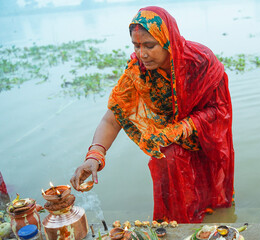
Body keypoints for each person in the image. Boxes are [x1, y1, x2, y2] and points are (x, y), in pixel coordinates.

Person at [70, 6, 234, 223]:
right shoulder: (138, 71)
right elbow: (113, 117)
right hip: (169, 147)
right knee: (176, 198)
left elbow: (220, 109)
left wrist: (181, 128)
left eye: (149, 45)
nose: (142, 54)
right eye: (136, 46)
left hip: (205, 140)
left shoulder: (200, 62)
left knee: (212, 200)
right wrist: (95, 156)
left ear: (168, 40)